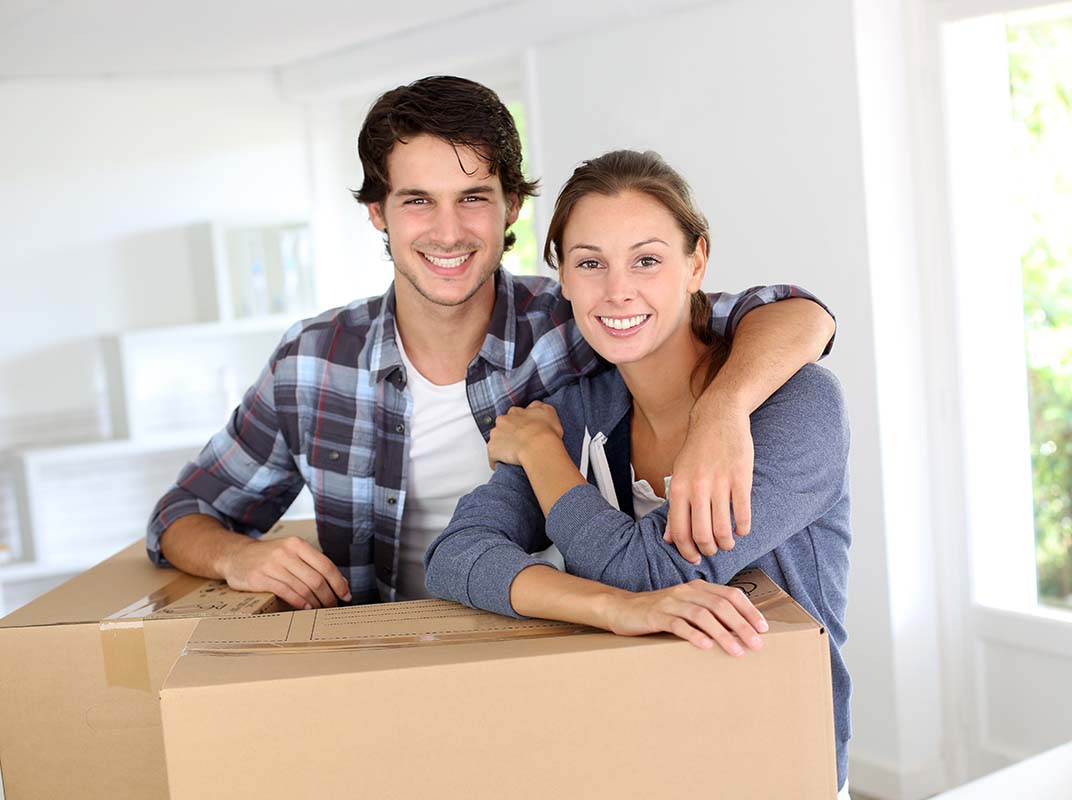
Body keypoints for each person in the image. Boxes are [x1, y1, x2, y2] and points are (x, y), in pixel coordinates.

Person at [146, 76, 837, 609]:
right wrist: (239, 559)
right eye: (417, 200)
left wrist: (723, 411)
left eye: (473, 196)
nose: (448, 231)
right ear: (376, 213)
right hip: (374, 660)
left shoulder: (580, 320)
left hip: (535, 655)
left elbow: (791, 315)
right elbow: (183, 515)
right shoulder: (313, 363)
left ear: (511, 206)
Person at [424, 150, 852, 795]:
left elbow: (655, 570)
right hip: (620, 756)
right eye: (590, 263)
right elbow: (456, 556)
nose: (617, 291)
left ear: (696, 263)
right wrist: (614, 609)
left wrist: (544, 456)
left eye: (647, 260)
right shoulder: (574, 407)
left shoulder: (799, 402)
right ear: (563, 277)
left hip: (773, 761)